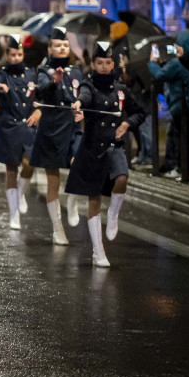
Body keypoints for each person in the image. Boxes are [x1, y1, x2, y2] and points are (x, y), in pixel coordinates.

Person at [67, 41, 146, 267]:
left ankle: (113, 215)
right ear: (92, 64)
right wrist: (79, 105)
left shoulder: (120, 89)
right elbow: (84, 96)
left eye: (107, 63)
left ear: (113, 64)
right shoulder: (88, 85)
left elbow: (140, 112)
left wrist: (127, 124)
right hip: (93, 148)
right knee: (94, 199)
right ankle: (98, 251)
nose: (103, 66)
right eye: (99, 63)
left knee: (122, 178)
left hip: (115, 146)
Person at [27, 27, 83, 242]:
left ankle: (73, 200)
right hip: (51, 129)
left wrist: (81, 106)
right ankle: (57, 228)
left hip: (71, 127)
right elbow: (41, 89)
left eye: (66, 45)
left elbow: (84, 92)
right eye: (58, 45)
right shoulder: (43, 71)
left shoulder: (76, 71)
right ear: (50, 49)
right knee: (53, 181)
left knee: (78, 163)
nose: (62, 48)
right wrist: (53, 81)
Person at [0, 35, 37, 231]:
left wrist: (39, 111)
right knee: (11, 170)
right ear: (7, 55)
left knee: (29, 164)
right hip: (9, 126)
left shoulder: (31, 74)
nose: (16, 57)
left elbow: (39, 96)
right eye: (13, 54)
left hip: (27, 126)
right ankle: (14, 214)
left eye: (19, 54)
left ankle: (21, 193)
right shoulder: (2, 73)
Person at [149, 30, 189, 179]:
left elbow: (161, 74)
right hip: (187, 104)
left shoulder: (179, 62)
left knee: (183, 139)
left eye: (178, 45)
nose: (176, 48)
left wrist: (153, 62)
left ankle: (185, 169)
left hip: (181, 105)